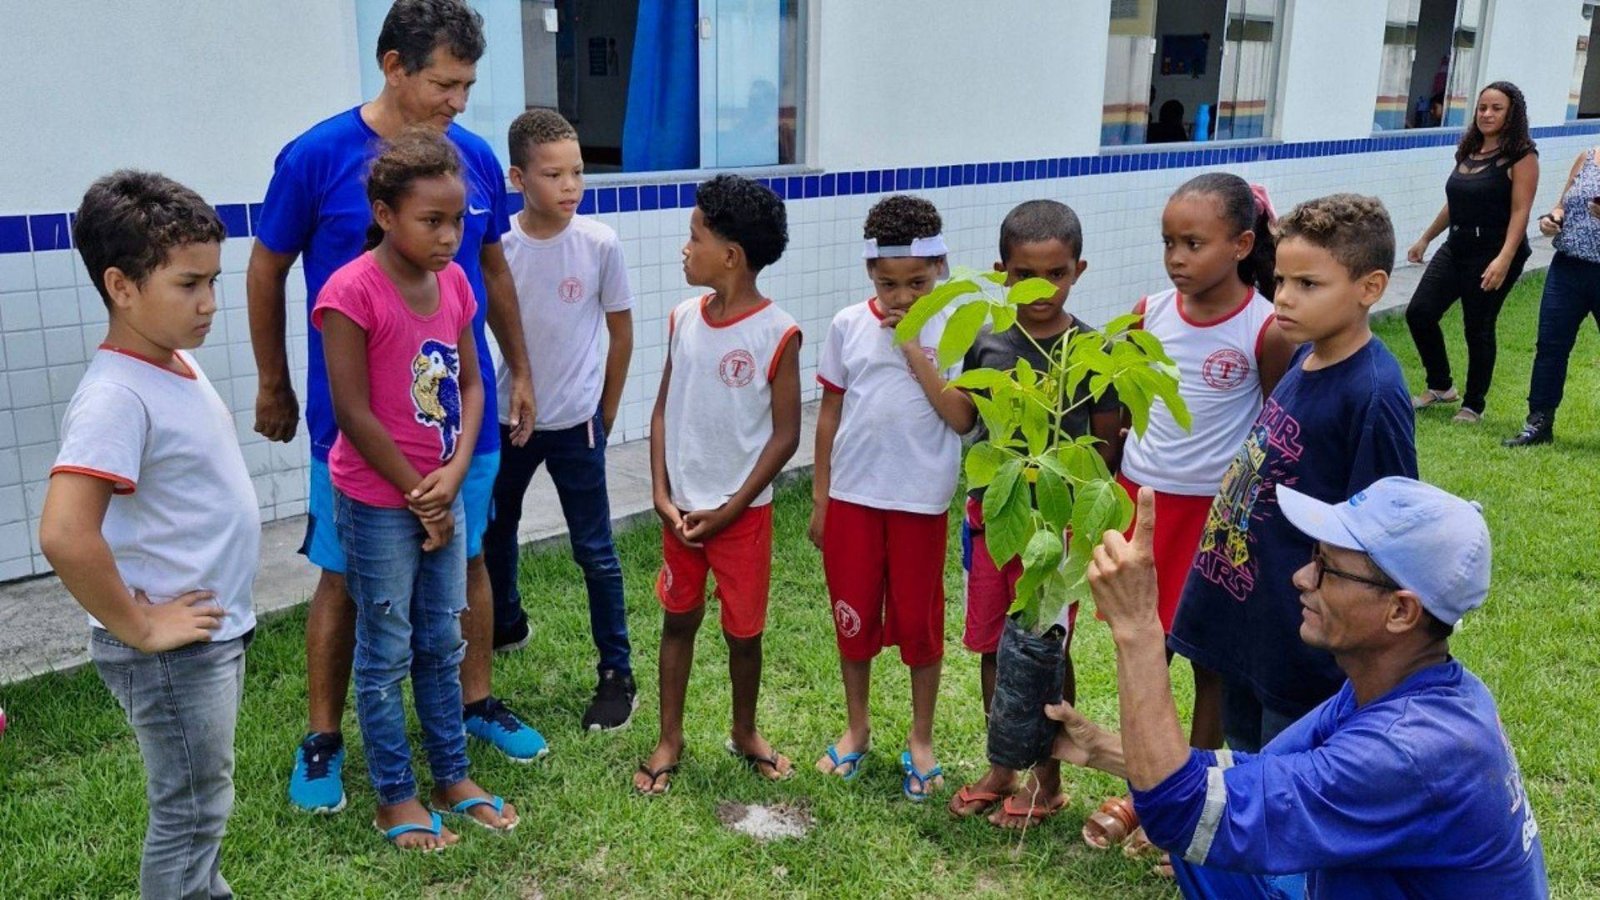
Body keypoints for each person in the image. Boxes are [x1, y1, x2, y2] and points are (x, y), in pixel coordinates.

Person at [248, 0, 542, 815]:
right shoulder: (317, 156)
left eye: (468, 85)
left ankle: (473, 704)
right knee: (346, 577)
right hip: (362, 436)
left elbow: (496, 269)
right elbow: (266, 268)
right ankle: (323, 738)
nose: (458, 100)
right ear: (393, 65)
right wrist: (274, 382)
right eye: (445, 82)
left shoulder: (474, 159)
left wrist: (518, 367)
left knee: (469, 555)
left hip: (459, 423)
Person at [1048, 477, 1548, 898]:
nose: (1302, 577)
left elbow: (1183, 811)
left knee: (1207, 834)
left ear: (1401, 611)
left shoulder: (1409, 751)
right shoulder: (1406, 688)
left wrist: (1137, 627)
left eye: (1327, 567)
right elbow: (1258, 773)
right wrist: (1108, 752)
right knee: (1218, 841)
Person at [40, 171, 259, 898]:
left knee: (204, 803)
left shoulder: (173, 361)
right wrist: (139, 626)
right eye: (189, 284)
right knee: (190, 810)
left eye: (214, 281)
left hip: (207, 633)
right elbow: (68, 535)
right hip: (173, 652)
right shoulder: (114, 396)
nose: (209, 303)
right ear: (121, 286)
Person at [313, 128, 518, 850]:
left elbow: (470, 380)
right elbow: (352, 410)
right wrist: (417, 493)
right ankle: (394, 795)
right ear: (384, 212)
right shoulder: (350, 292)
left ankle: (452, 775)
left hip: (443, 487)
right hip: (377, 500)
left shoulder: (457, 282)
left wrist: (456, 473)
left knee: (442, 637)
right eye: (432, 220)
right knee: (386, 649)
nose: (449, 235)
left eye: (458, 220)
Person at [1089, 173, 1298, 849]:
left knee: (1208, 661)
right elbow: (1111, 397)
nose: (1176, 257)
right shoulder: (1145, 314)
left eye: (1193, 243)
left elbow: (1274, 432)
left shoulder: (1264, 328)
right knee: (1139, 652)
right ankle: (1139, 791)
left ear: (1242, 244)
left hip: (1214, 519)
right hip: (1141, 506)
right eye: (1168, 242)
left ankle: (1187, 801)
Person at [1168, 194, 1418, 756]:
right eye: (1280, 279)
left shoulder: (1372, 394)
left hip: (1301, 639)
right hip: (1251, 620)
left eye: (1309, 284)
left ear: (1370, 288)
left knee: (1284, 782)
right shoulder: (1303, 358)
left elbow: (1385, 532)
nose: (1283, 297)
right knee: (1243, 755)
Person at [946, 199, 1124, 828]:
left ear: (1078, 269)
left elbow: (1106, 448)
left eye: (1056, 274)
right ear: (1002, 272)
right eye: (1025, 275)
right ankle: (1003, 764)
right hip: (996, 515)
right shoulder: (987, 344)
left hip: (1058, 524)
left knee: (1046, 645)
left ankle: (1046, 779)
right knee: (994, 643)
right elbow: (970, 424)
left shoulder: (1093, 350)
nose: (1041, 288)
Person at [633, 174, 802, 795]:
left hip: (742, 518)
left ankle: (745, 729)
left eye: (694, 236)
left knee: (743, 633)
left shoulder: (777, 332)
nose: (685, 247)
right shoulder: (683, 318)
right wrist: (659, 491)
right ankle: (669, 737)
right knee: (677, 620)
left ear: (730, 256)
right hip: (681, 515)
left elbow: (785, 435)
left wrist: (732, 508)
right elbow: (660, 410)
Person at [810, 195, 976, 799]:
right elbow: (829, 415)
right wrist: (823, 498)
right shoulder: (847, 325)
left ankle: (921, 737)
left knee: (918, 622)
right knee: (852, 617)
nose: (902, 296)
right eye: (888, 284)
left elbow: (961, 418)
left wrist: (912, 346)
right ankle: (858, 729)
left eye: (917, 282)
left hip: (919, 503)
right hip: (854, 498)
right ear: (869, 275)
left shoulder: (957, 330)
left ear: (940, 269)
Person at [481, 108, 638, 730]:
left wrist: (605, 409)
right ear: (519, 178)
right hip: (505, 422)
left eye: (577, 172)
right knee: (496, 533)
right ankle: (506, 623)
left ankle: (616, 671)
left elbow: (620, 332)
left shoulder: (599, 243)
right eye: (554, 175)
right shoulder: (501, 249)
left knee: (595, 550)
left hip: (578, 423)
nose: (571, 186)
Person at [1405, 81, 1539, 423]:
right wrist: (1425, 239)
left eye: (1497, 108)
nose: (1487, 114)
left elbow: (1521, 211)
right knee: (1420, 312)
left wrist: (1504, 259)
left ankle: (1473, 405)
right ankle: (1441, 386)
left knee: (1477, 326)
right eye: (1482, 108)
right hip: (1457, 245)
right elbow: (1455, 202)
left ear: (1512, 115)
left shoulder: (1522, 155)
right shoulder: (1469, 150)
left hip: (1494, 251)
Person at [1503, 143, 1600, 447]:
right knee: (1550, 346)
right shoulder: (1587, 156)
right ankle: (1539, 421)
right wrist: (1553, 218)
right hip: (1568, 268)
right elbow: (1563, 204)